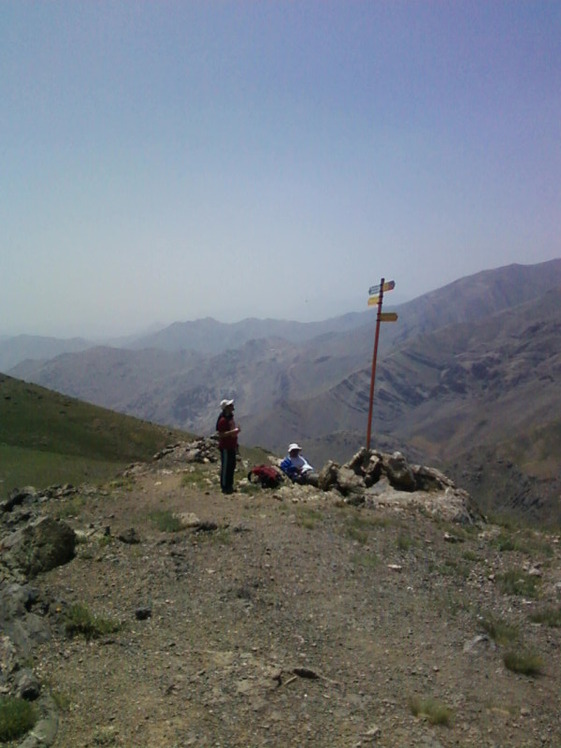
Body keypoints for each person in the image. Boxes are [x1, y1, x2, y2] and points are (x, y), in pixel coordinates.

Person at [216, 399, 240, 494]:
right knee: (226, 466)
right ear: (226, 408)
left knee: (232, 465)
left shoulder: (230, 418)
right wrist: (233, 432)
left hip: (232, 446)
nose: (232, 406)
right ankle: (225, 486)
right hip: (226, 447)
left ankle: (230, 485)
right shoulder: (223, 420)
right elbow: (221, 434)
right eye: (230, 405)